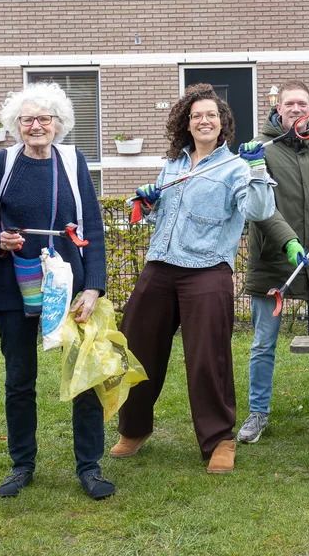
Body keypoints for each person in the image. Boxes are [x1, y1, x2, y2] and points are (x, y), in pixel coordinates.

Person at [111, 84, 276, 473]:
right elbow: (158, 216)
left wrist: (257, 169)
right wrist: (147, 204)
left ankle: (219, 439)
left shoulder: (235, 166)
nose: (204, 121)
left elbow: (258, 210)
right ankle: (134, 428)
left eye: (212, 116)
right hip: (160, 265)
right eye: (197, 115)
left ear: (223, 125)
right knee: (136, 349)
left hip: (206, 271)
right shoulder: (173, 165)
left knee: (207, 358)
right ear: (187, 123)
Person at [0, 83, 111, 500]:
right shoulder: (2, 163)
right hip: (15, 284)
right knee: (19, 379)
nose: (36, 126)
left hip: (69, 284)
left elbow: (94, 229)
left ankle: (89, 466)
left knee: (84, 377)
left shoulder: (73, 161)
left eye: (44, 118)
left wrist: (94, 285)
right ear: (17, 125)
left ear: (57, 123)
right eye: (28, 119)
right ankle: (22, 466)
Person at [239, 80, 309, 443]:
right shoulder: (261, 149)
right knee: (262, 343)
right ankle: (258, 414)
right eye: (290, 104)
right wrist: (287, 240)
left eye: (302, 104)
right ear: (279, 109)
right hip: (273, 259)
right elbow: (258, 206)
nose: (296, 109)